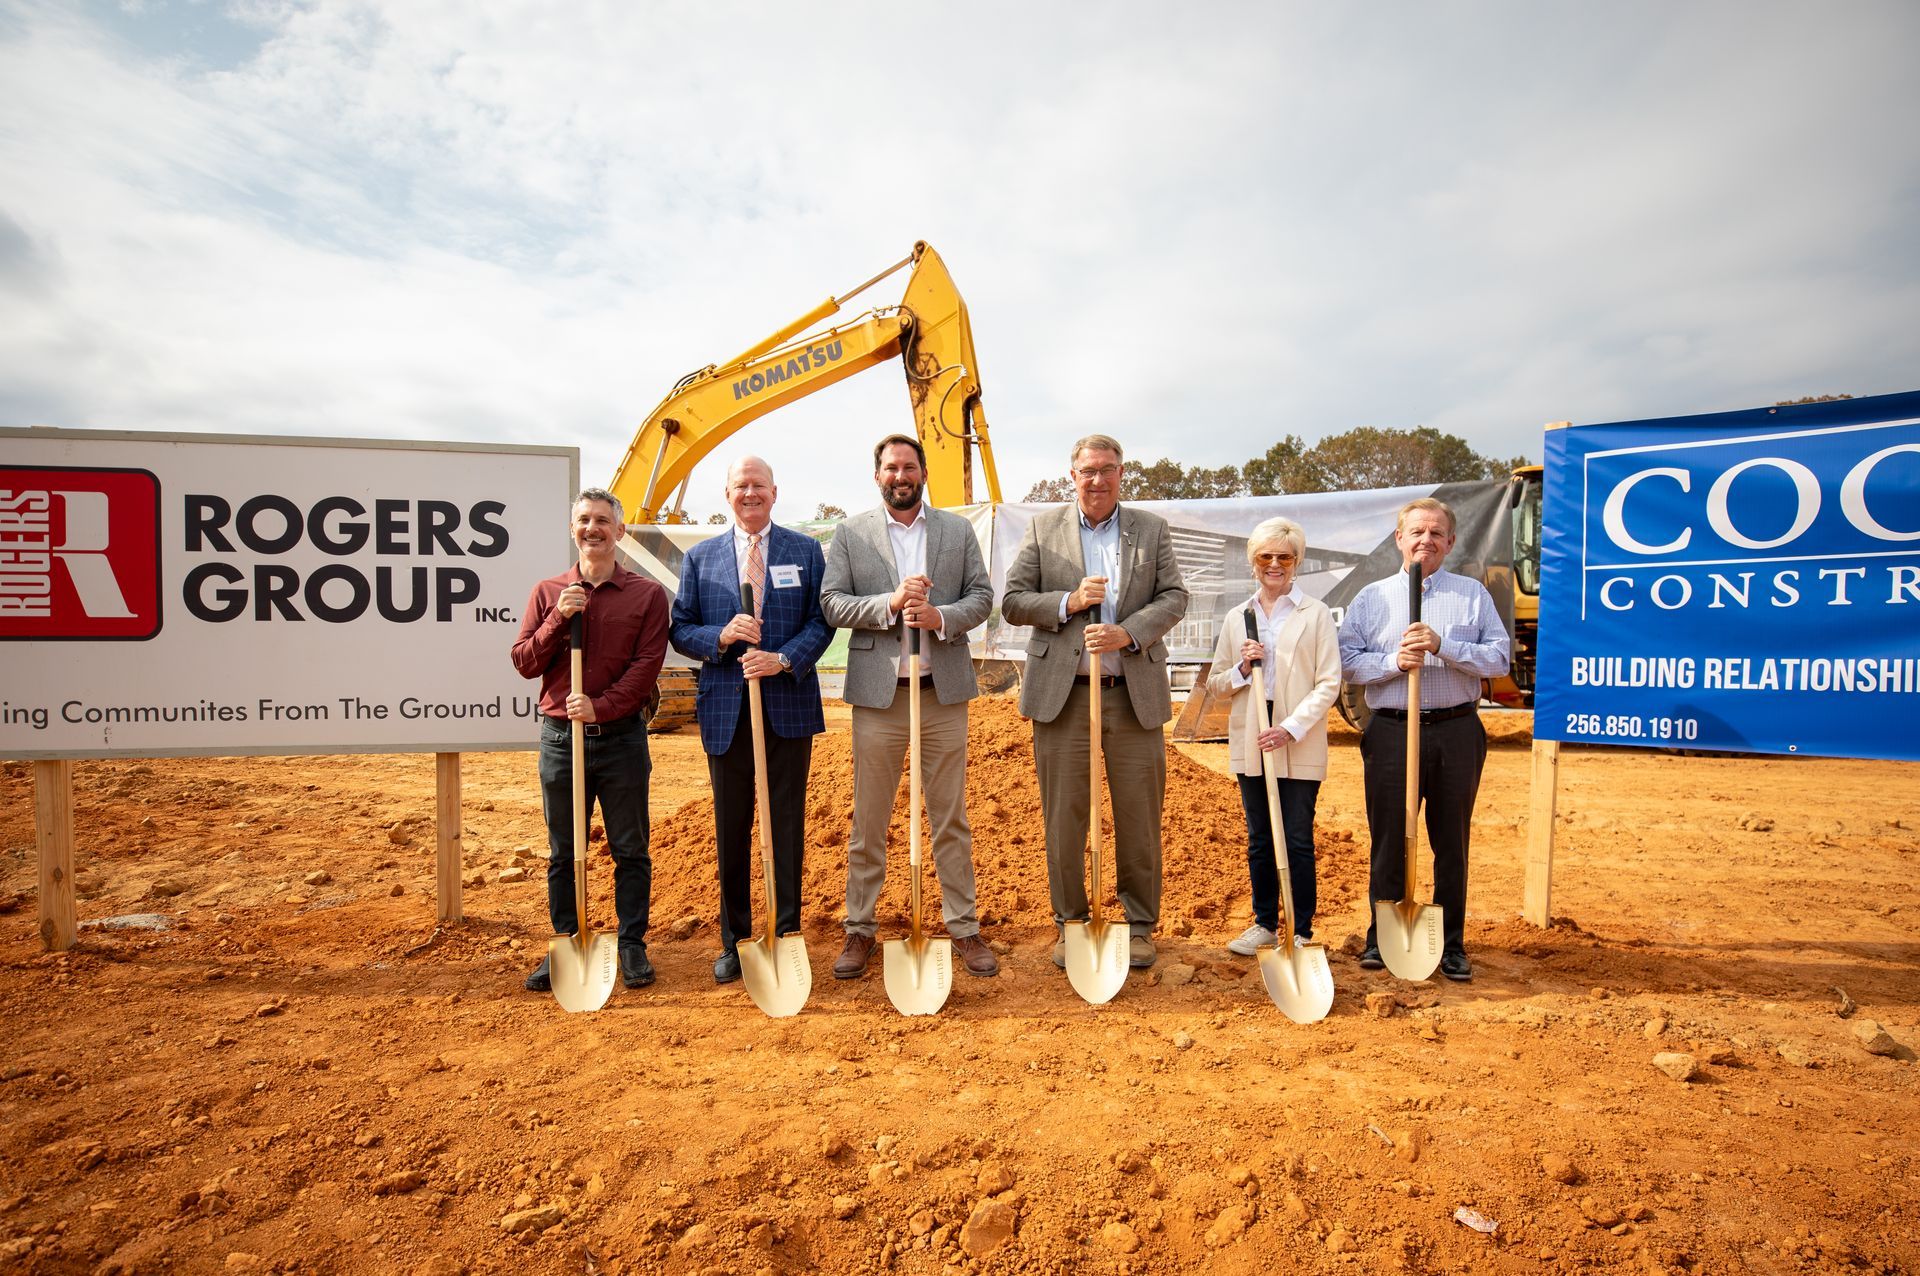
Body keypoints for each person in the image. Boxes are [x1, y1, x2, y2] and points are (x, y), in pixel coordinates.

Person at [1001, 433, 1189, 970]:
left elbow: (1174, 596)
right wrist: (1069, 601)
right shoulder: (1045, 529)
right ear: (1073, 475)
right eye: (1088, 470)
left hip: (1132, 697)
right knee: (1065, 817)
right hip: (1064, 698)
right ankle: (1072, 923)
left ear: (1121, 473)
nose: (1098, 480)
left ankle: (1138, 924)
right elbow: (1013, 601)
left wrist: (1127, 633)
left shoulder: (1149, 529)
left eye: (1108, 469)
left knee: (1138, 815)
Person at [821, 434, 998, 979]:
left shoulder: (955, 530)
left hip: (941, 694)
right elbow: (831, 603)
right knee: (870, 820)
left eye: (909, 466)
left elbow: (982, 597)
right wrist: (890, 604)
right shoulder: (851, 533)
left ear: (923, 473)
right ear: (878, 476)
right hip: (880, 700)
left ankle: (963, 928)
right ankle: (859, 929)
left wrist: (940, 617)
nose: (901, 475)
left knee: (950, 817)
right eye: (891, 467)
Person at [669, 456, 832, 985]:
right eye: (741, 486)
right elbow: (680, 628)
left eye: (758, 485)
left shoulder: (804, 551)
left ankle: (785, 933)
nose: (750, 493)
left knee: (785, 825)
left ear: (775, 492)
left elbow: (820, 621)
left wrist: (782, 659)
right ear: (727, 495)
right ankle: (735, 939)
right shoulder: (701, 558)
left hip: (786, 704)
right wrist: (718, 637)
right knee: (731, 827)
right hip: (726, 708)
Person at [1337, 497, 1511, 982]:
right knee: (1390, 836)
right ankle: (1382, 936)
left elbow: (1499, 659)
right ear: (1399, 538)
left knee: (1450, 841)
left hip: (1456, 730)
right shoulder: (1372, 598)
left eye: (1436, 533)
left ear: (1450, 543)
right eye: (1416, 532)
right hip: (1392, 729)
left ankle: (1451, 944)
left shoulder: (1471, 594)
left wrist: (1443, 647)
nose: (1425, 541)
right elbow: (1346, 661)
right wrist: (1395, 661)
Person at [510, 487, 669, 993]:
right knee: (564, 849)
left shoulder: (646, 595)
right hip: (561, 740)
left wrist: (601, 706)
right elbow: (524, 662)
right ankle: (567, 938)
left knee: (630, 848)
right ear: (572, 528)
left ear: (620, 531)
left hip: (622, 740)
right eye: (584, 520)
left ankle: (631, 944)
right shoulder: (547, 591)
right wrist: (560, 617)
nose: (592, 528)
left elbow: (646, 670)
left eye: (603, 520)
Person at [1203, 517, 1340, 956]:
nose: (1275, 564)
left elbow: (1329, 682)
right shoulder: (1237, 618)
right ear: (1254, 562)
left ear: (1296, 562)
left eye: (1284, 556)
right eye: (1266, 556)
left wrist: (1290, 728)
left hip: (1295, 735)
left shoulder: (1314, 614)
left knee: (1297, 837)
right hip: (1252, 735)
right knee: (1260, 837)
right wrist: (1243, 669)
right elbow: (1216, 684)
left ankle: (1301, 931)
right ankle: (1264, 924)